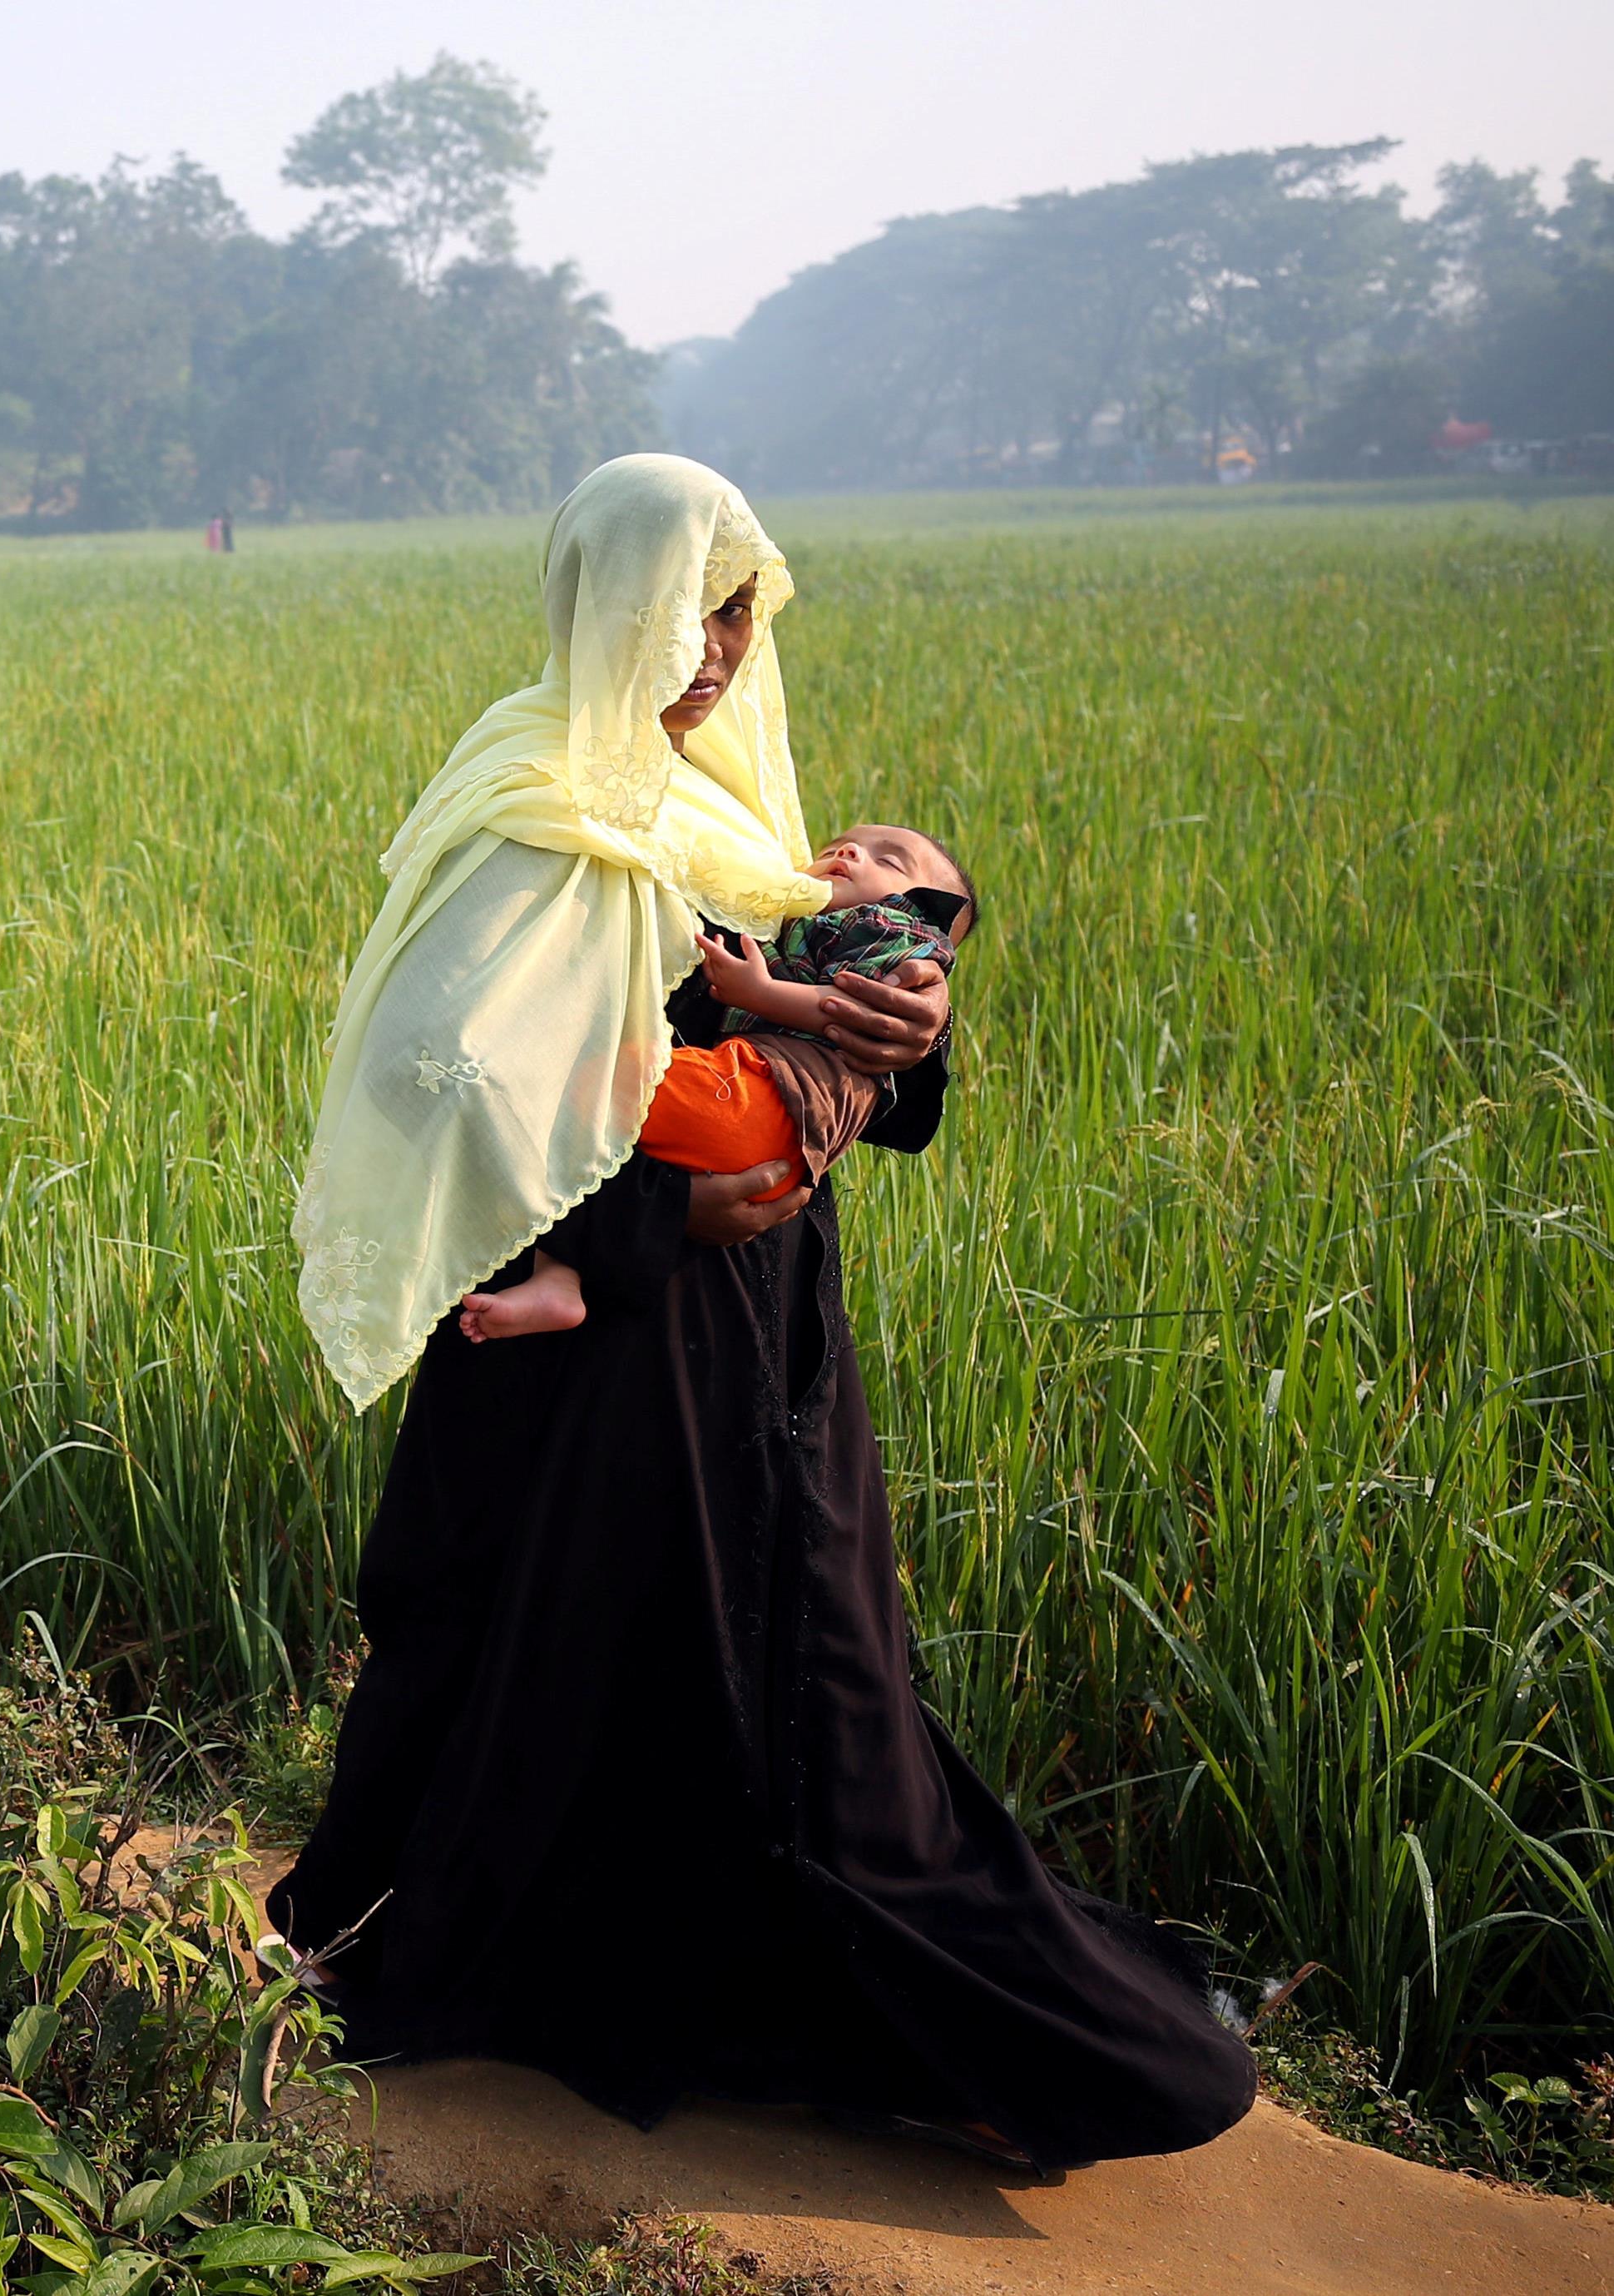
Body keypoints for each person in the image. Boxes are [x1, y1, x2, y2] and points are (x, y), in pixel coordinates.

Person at [271, 454, 1252, 2171]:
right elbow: (447, 1074)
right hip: (581, 1356)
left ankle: (896, 2013)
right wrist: (656, 1210)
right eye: (684, 607)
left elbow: (840, 1026)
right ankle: (494, 1980)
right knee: (535, 1637)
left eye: (738, 609)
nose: (714, 648)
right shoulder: (525, 798)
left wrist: (909, 1029)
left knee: (791, 1673)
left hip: (754, 1339)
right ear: (601, 604)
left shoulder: (725, 802)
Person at [458, 823, 970, 1342]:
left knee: (583, 1085)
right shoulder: (527, 805)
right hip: (656, 1232)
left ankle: (558, 1277)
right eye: (834, 846)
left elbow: (858, 1018)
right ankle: (558, 1277)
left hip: (746, 1178)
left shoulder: (875, 924)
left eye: (891, 862)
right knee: (582, 1092)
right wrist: (657, 1208)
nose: (848, 850)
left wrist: (928, 1024)